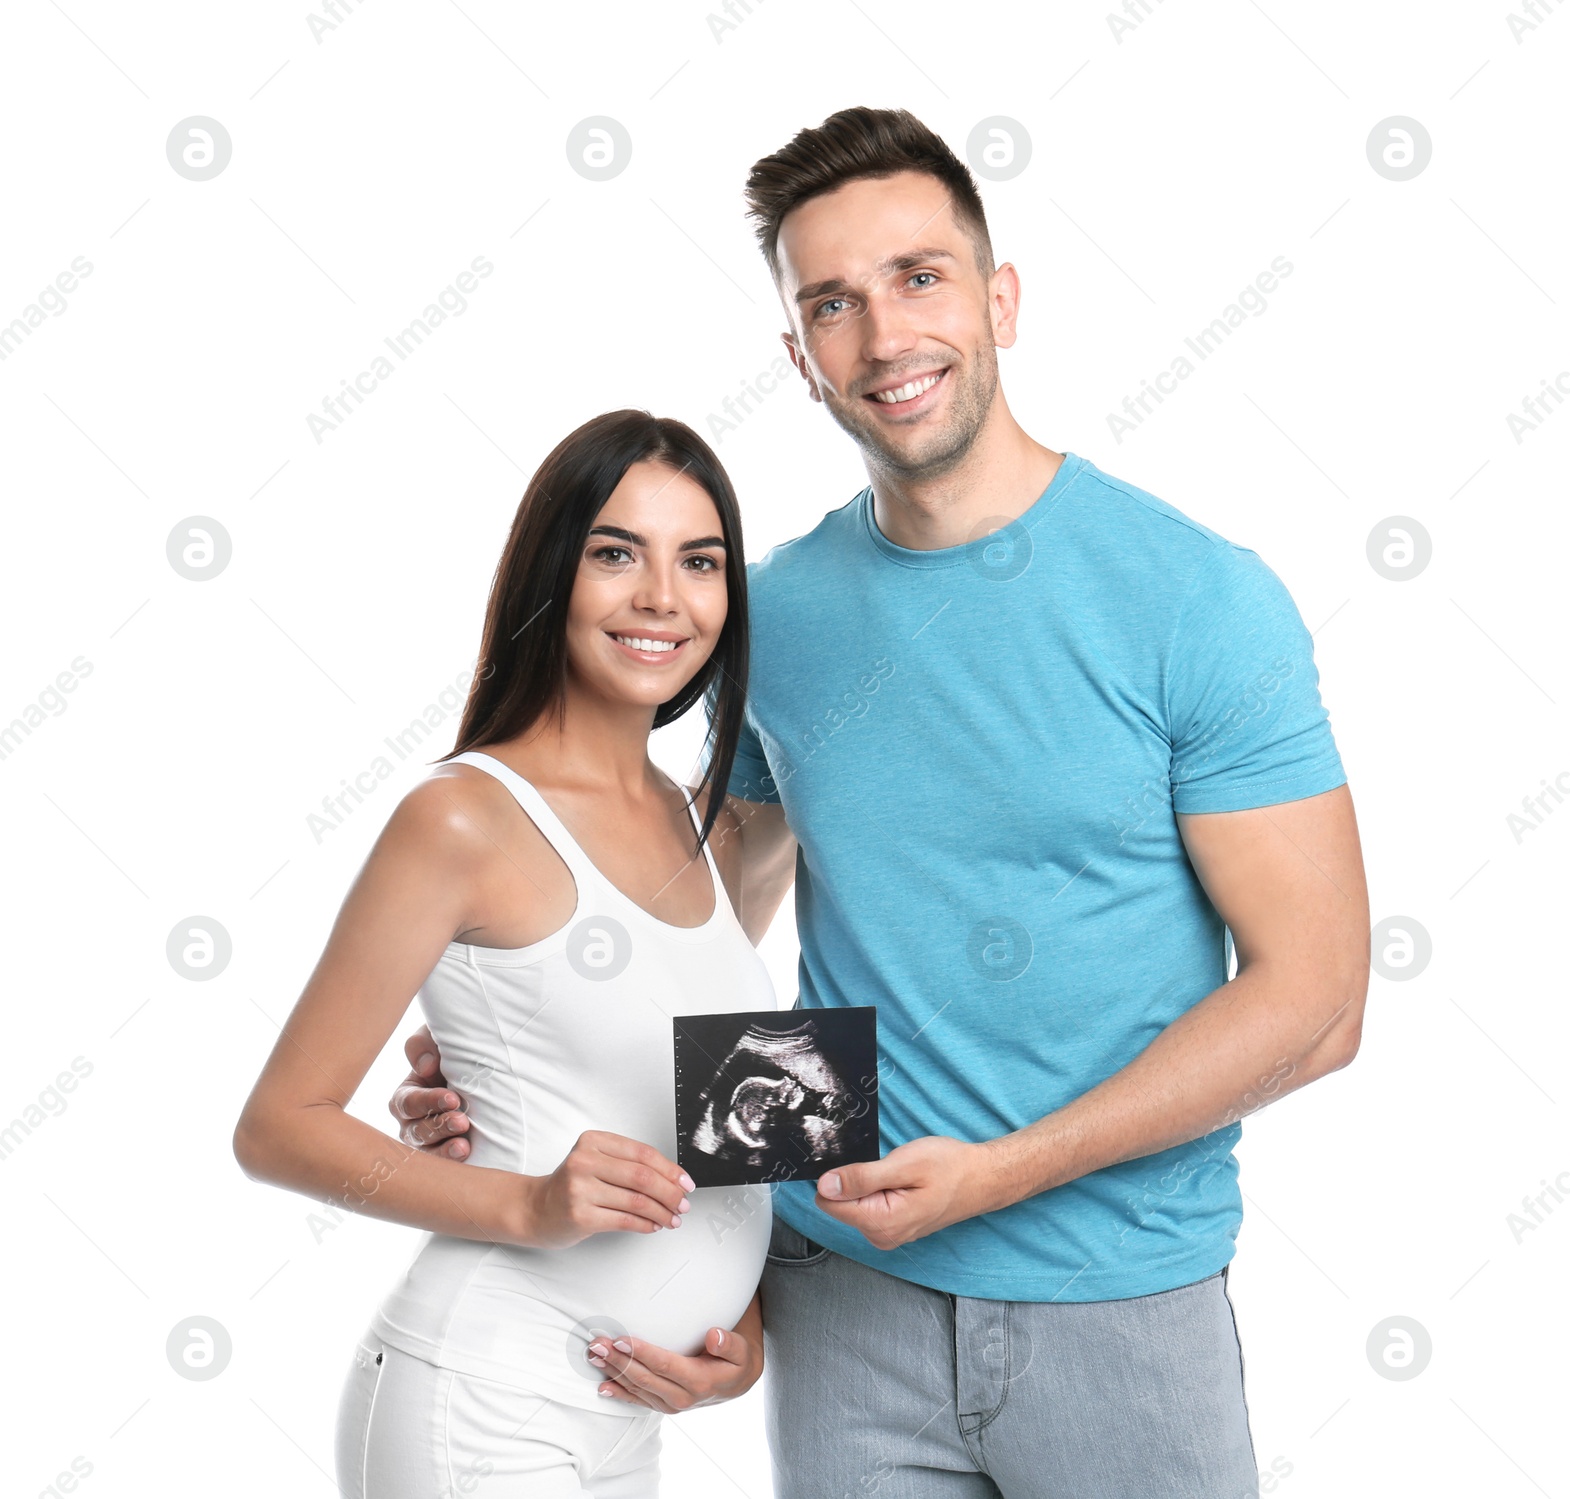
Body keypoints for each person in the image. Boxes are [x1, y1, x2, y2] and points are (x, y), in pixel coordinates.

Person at [395, 108, 1371, 1497]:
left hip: (1123, 1305)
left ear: (999, 298)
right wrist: (519, 1052)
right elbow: (699, 905)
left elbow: (1321, 1000)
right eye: (833, 303)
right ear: (800, 359)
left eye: (919, 277)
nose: (883, 335)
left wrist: (1004, 1170)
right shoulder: (775, 610)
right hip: (838, 1296)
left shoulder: (1195, 598)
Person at [233, 409, 781, 1498]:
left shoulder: (700, 820)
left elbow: (707, 1106)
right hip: (481, 1401)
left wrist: (741, 1335)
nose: (662, 597)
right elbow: (276, 1127)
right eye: (615, 553)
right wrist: (530, 1203)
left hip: (624, 1412)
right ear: (550, 572)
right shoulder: (463, 818)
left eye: (700, 561)